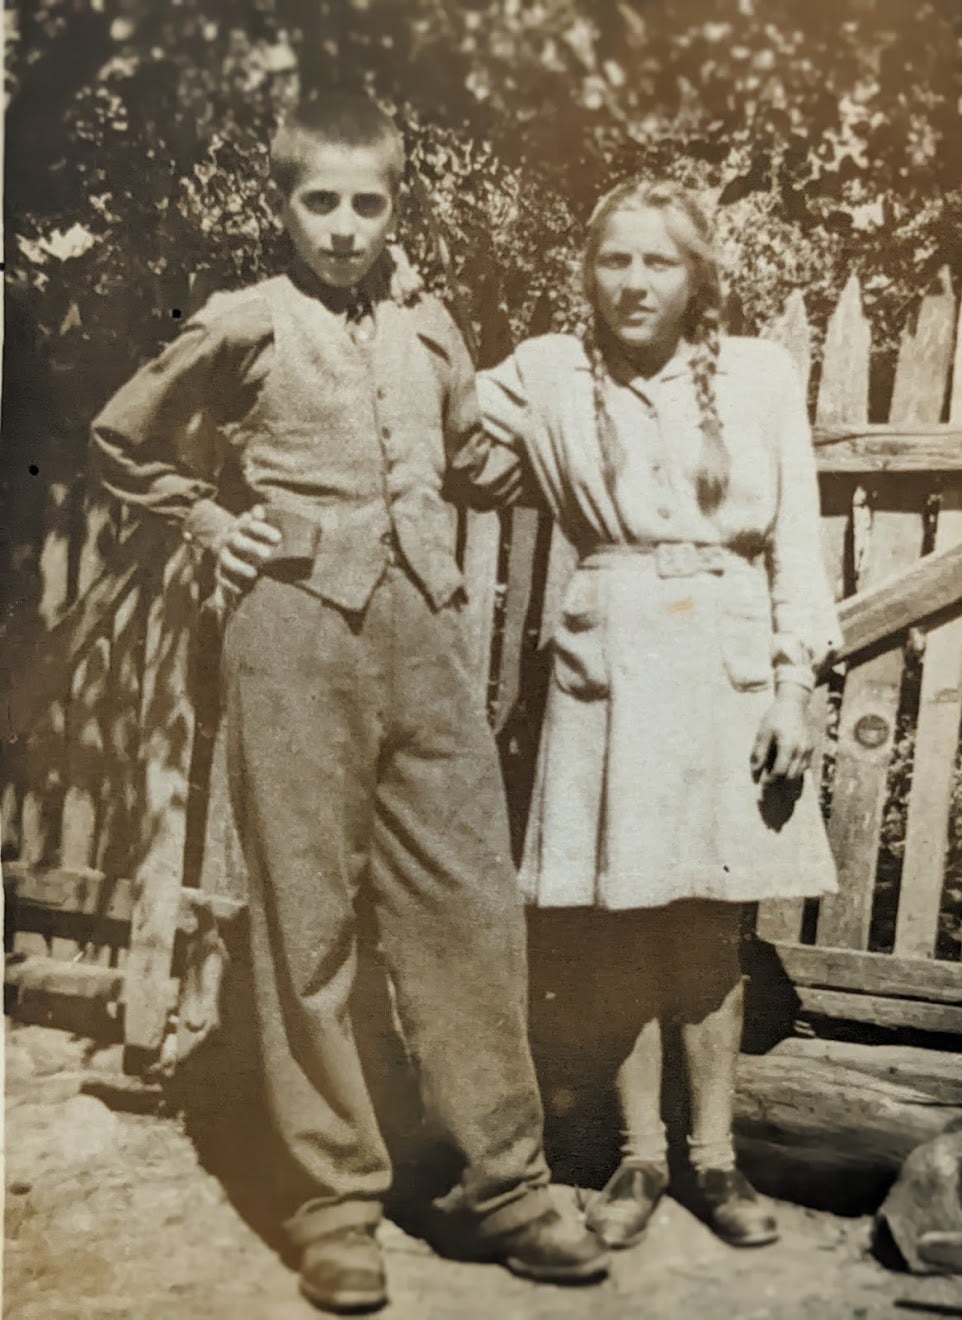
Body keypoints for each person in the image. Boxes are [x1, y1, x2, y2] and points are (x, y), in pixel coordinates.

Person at [92, 89, 609, 1313]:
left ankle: (505, 1186)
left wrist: (575, 407)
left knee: (468, 904)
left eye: (366, 203)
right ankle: (334, 1201)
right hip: (292, 632)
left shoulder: (432, 323)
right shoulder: (243, 319)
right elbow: (121, 438)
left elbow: (471, 459)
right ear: (282, 204)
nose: (342, 226)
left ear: (394, 207)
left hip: (428, 636)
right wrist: (207, 520)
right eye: (319, 201)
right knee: (307, 918)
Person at [478, 176, 840, 1253]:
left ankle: (714, 1160)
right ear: (588, 272)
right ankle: (639, 1158)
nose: (635, 283)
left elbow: (798, 542)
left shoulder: (761, 376)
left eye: (660, 261)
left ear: (699, 277)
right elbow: (446, 429)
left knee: (710, 921)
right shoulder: (547, 371)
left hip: (726, 659)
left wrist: (795, 684)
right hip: (613, 658)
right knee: (620, 913)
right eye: (615, 260)